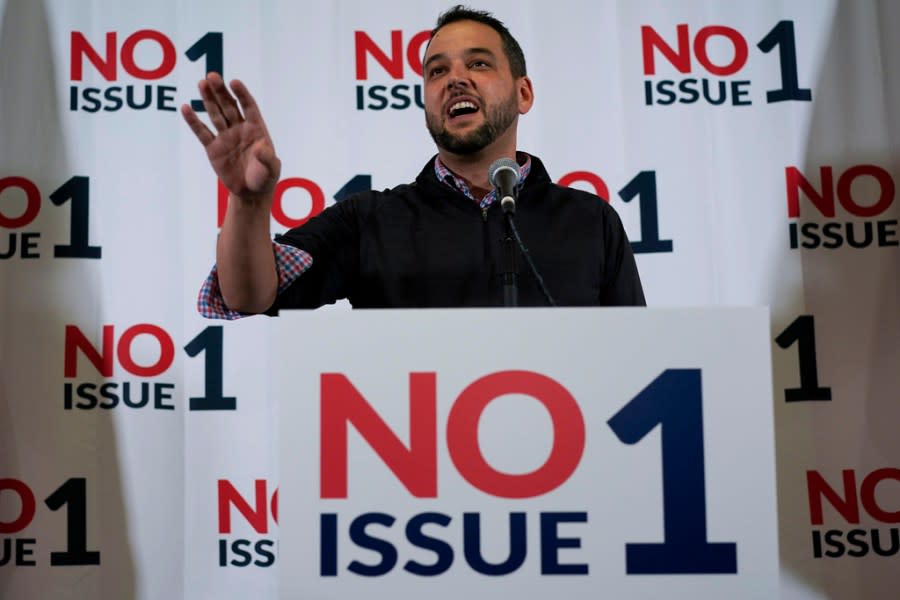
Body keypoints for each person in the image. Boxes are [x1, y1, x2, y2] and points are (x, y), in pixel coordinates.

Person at [182, 5, 645, 318]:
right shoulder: (370, 221)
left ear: (523, 93)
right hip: (412, 458)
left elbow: (637, 363)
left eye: (479, 64)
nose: (456, 80)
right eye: (437, 71)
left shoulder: (591, 221)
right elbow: (245, 296)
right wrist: (247, 201)